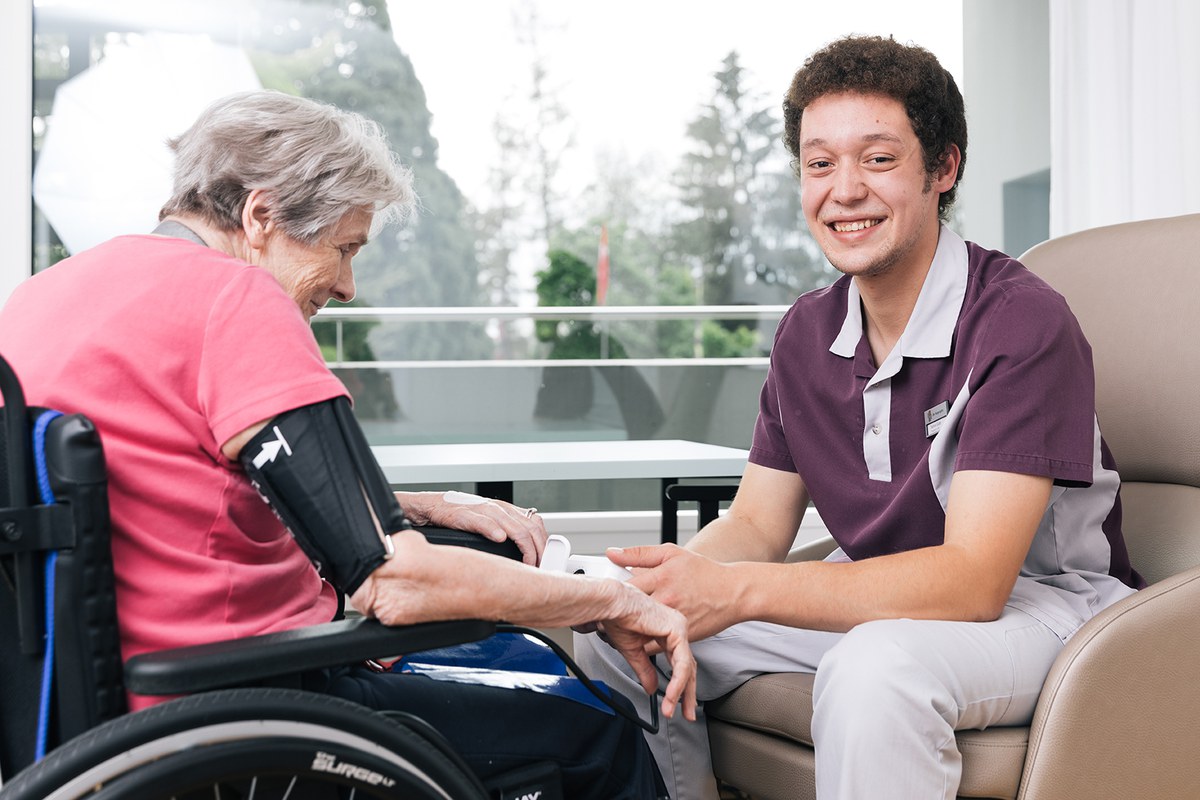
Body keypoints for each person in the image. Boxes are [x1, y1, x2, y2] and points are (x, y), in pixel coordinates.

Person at [0, 90, 694, 799]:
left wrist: (402, 506)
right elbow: (393, 583)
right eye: (343, 247)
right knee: (598, 735)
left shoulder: (41, 300)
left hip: (89, 729)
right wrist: (612, 605)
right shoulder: (235, 299)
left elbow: (166, 485)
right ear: (261, 215)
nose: (348, 285)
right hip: (248, 723)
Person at [574, 34, 1144, 800]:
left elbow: (975, 581)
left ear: (943, 168)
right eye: (819, 163)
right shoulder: (806, 331)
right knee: (622, 632)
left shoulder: (1020, 321)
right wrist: (679, 586)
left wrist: (739, 592)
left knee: (876, 669)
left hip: (1042, 607)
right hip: (877, 600)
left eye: (878, 160)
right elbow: (756, 527)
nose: (844, 191)